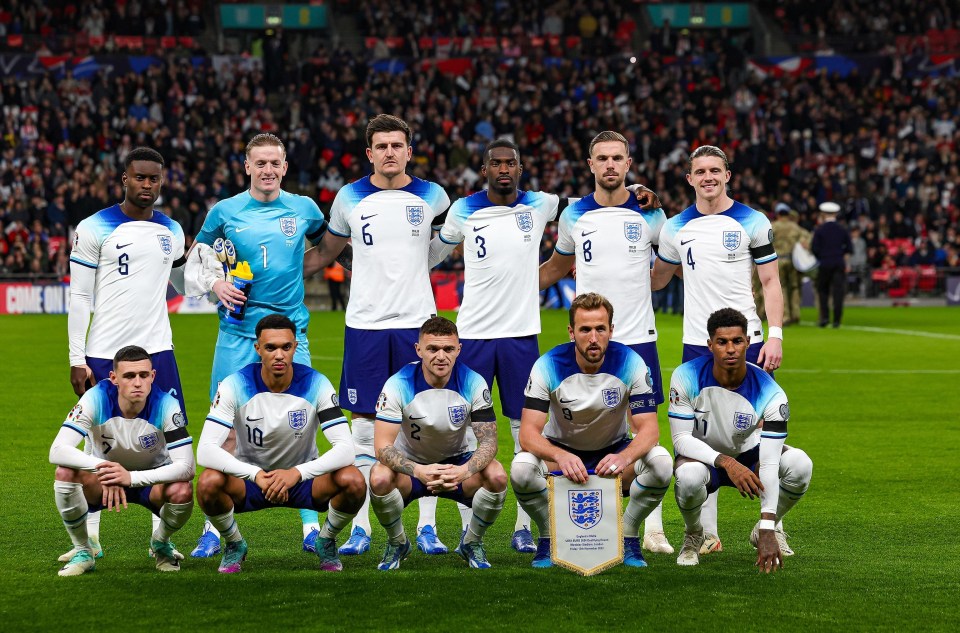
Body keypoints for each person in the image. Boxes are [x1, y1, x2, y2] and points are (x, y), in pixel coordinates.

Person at [305, 114, 453, 557]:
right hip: (365, 323)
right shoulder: (349, 196)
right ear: (369, 153)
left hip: (416, 322)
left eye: (397, 145)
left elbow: (446, 242)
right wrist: (277, 270)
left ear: (409, 150)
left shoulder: (433, 195)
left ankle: (427, 526)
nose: (390, 152)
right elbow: (328, 252)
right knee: (366, 429)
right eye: (381, 146)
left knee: (425, 424)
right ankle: (363, 527)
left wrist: (416, 266)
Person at [187, 132, 331, 557]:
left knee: (304, 426)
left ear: (285, 167)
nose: (268, 170)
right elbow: (198, 255)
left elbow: (327, 249)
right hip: (236, 334)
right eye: (260, 163)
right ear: (247, 166)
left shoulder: (304, 209)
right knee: (226, 429)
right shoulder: (225, 211)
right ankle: (216, 531)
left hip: (291, 334)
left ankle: (310, 524)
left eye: (275, 163)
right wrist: (216, 282)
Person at [426, 138, 567, 553]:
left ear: (520, 169)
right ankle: (468, 529)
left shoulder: (540, 204)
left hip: (521, 336)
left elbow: (588, 202)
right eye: (496, 163)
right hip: (471, 335)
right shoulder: (463, 208)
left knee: (526, 432)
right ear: (484, 169)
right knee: (460, 431)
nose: (504, 169)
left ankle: (524, 526)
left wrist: (635, 195)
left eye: (511, 163)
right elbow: (434, 251)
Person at [538, 131, 674, 555]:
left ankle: (652, 527)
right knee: (585, 423)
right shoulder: (574, 215)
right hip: (592, 340)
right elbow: (555, 268)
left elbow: (669, 265)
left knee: (644, 430)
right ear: (590, 164)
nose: (610, 165)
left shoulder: (652, 214)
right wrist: (504, 281)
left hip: (639, 338)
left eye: (618, 158)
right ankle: (579, 514)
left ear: (629, 164)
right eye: (603, 158)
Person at [652, 144, 786, 554]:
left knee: (761, 432)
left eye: (716, 170)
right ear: (689, 179)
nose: (708, 177)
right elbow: (658, 280)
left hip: (748, 342)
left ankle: (770, 524)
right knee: (700, 439)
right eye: (700, 171)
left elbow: (770, 282)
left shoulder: (753, 221)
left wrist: (776, 332)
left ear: (728, 175)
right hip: (697, 342)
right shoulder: (675, 227)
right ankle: (709, 534)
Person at [65, 147, 188, 563]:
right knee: (96, 443)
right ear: (125, 178)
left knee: (167, 445)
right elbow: (80, 295)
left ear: (162, 180)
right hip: (104, 352)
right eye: (140, 177)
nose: (147, 185)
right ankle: (90, 541)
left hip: (158, 351)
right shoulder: (94, 227)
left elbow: (182, 286)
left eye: (154, 178)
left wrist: (209, 275)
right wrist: (76, 358)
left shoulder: (172, 230)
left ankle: (162, 540)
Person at [510, 293, 673, 569]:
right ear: (571, 332)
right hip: (561, 455)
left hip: (614, 453)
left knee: (661, 463)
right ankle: (549, 537)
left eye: (600, 328)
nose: (593, 338)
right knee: (521, 469)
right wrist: (560, 456)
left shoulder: (631, 363)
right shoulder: (547, 365)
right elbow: (527, 434)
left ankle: (629, 535)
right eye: (585, 329)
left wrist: (625, 457)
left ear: (612, 330)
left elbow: (649, 430)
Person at [195, 315, 366, 574]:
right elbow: (205, 449)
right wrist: (256, 475)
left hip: (302, 480)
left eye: (286, 347)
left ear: (295, 347)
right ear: (258, 349)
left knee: (353, 480)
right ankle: (234, 544)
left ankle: (326, 539)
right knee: (208, 483)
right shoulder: (235, 384)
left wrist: (296, 473)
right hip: (252, 481)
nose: (279, 355)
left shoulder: (316, 383)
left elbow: (346, 448)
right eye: (271, 348)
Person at [669, 308, 812, 569]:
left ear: (747, 342)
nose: (731, 349)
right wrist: (725, 462)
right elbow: (680, 440)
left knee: (800, 464)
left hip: (749, 455)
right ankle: (694, 534)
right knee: (688, 477)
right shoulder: (685, 375)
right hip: (704, 458)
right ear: (710, 345)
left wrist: (768, 524)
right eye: (722, 342)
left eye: (737, 341)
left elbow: (768, 463)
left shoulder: (770, 391)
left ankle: (763, 531)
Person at [369, 316, 507, 570]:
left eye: (448, 349)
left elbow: (489, 442)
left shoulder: (473, 382)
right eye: (432, 349)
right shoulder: (398, 384)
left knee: (497, 476)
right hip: (412, 467)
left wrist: (463, 471)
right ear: (418, 349)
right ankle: (397, 542)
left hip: (457, 463)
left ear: (459, 350)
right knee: (378, 477)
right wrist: (419, 470)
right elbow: (382, 447)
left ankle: (472, 541)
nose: (440, 356)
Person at [50, 345, 195, 576]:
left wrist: (130, 478)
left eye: (143, 375)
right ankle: (83, 550)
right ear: (114, 378)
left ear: (152, 376)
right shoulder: (95, 397)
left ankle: (160, 543)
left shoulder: (167, 404)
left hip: (151, 483)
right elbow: (57, 450)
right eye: (129, 376)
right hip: (104, 482)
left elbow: (187, 467)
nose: (137, 383)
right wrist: (105, 469)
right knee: (65, 472)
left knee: (182, 490)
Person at [811, 202, 852, 328]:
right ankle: (837, 320)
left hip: (824, 263)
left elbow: (814, 249)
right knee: (838, 292)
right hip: (838, 263)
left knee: (823, 291)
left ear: (823, 214)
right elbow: (849, 248)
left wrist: (822, 256)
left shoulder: (819, 230)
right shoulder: (842, 229)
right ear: (836, 214)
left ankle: (824, 318)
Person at [771, 204, 808, 325]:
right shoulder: (796, 227)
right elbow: (805, 239)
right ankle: (796, 314)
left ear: (778, 214)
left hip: (778, 260)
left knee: (782, 288)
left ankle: (785, 315)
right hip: (793, 260)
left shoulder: (773, 227)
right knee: (794, 287)